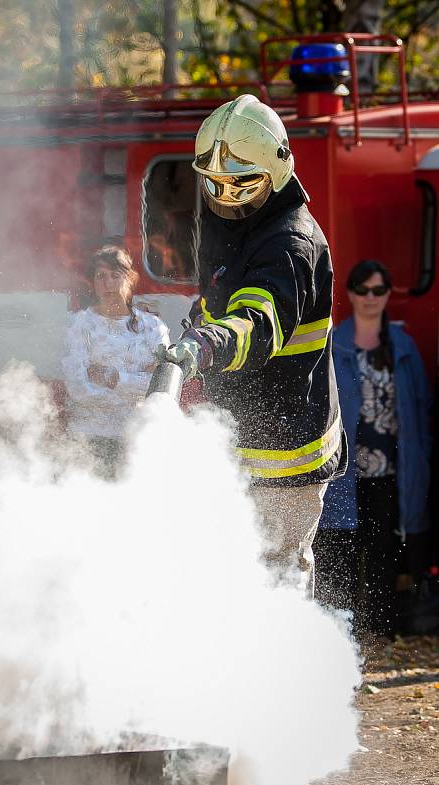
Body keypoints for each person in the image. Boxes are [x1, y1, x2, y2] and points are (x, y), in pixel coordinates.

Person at [161, 94, 346, 596]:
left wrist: (206, 344)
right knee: (233, 573)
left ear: (278, 169)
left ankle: (287, 674)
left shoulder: (290, 243)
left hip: (287, 452)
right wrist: (201, 320)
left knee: (277, 579)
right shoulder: (240, 225)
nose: (227, 198)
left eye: (242, 184)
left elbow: (256, 323)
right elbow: (223, 299)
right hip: (242, 437)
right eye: (215, 185)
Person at [316, 260, 432, 637]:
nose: (370, 297)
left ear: (386, 296)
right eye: (363, 290)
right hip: (345, 471)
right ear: (350, 294)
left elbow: (420, 404)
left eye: (378, 290)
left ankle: (381, 630)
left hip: (391, 471)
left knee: (384, 551)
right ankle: (345, 633)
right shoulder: (336, 344)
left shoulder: (402, 347)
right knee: (343, 549)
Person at [62, 245, 169, 477]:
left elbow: (159, 387)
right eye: (101, 276)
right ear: (93, 282)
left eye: (115, 275)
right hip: (88, 439)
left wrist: (114, 379)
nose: (108, 283)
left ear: (130, 279)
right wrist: (135, 389)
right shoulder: (80, 326)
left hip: (139, 438)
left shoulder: (152, 328)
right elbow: (77, 387)